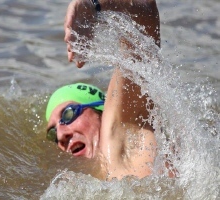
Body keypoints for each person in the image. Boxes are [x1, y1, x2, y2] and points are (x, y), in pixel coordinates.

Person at [46, 0, 161, 180]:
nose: (61, 135)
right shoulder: (93, 176)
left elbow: (145, 16)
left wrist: (93, 6)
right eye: (52, 133)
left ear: (100, 110)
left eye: (68, 114)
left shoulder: (120, 140)